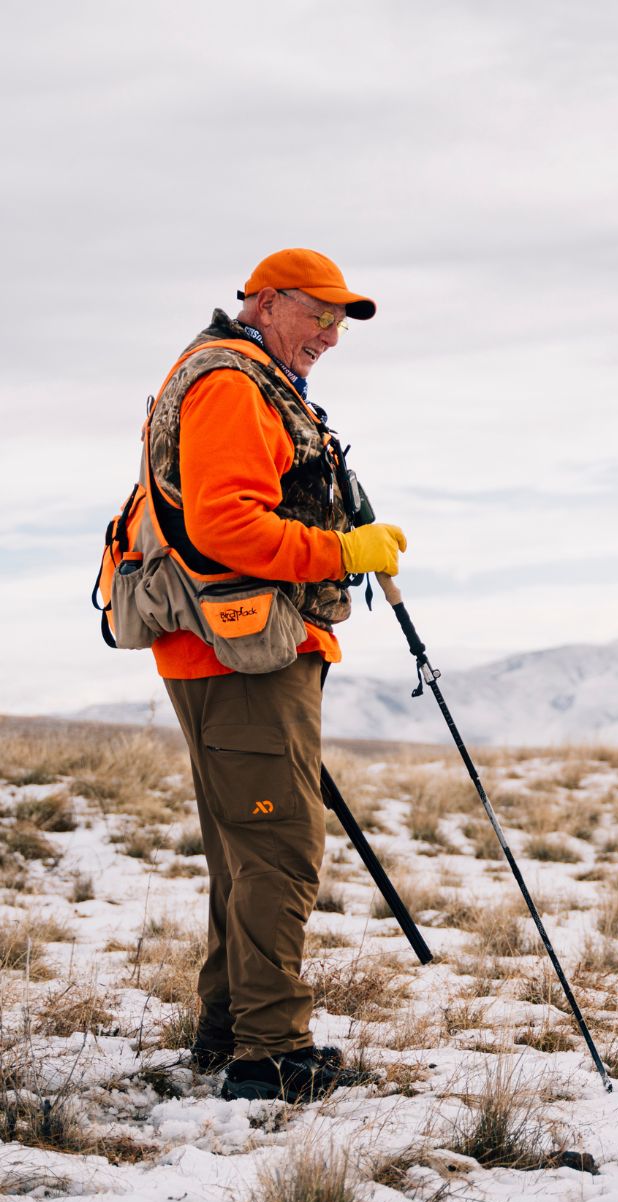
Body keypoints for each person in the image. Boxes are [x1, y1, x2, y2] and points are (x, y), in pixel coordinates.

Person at [146, 249, 406, 1101]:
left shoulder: (254, 378)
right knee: (279, 847)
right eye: (316, 313)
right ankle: (269, 1056)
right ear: (262, 302)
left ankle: (228, 1033)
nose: (330, 334)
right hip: (239, 653)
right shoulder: (230, 383)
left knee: (245, 850)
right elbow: (225, 526)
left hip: (248, 648)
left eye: (340, 321)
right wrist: (342, 550)